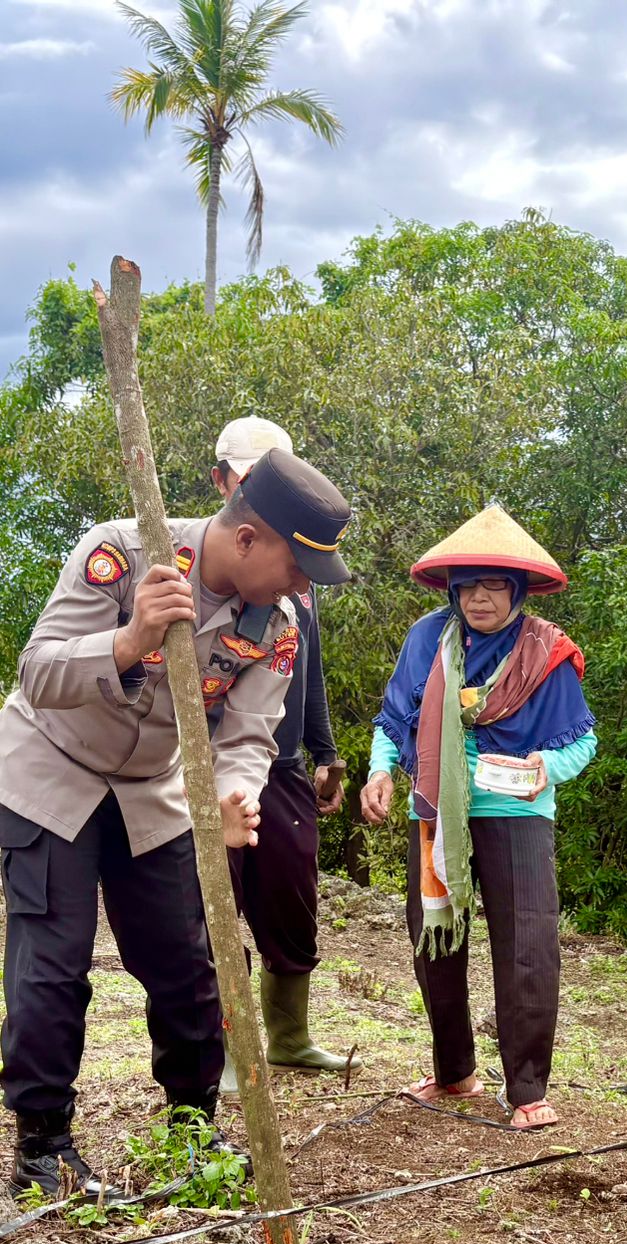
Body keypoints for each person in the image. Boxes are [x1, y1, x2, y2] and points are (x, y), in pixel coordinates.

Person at [0, 451, 354, 1196]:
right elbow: (39, 672)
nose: (301, 587)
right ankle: (44, 1146)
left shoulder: (279, 625)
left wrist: (231, 796)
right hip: (50, 770)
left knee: (187, 962)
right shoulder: (125, 554)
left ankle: (193, 1128)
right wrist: (128, 641)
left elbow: (250, 735)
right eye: (297, 566)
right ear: (249, 539)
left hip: (153, 786)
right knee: (54, 964)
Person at [361, 507, 595, 1130]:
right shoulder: (425, 640)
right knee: (434, 941)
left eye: (493, 585)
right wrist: (380, 771)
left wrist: (546, 765)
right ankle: (454, 1073)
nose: (479, 598)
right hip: (436, 812)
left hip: (516, 814)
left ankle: (525, 1090)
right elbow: (394, 721)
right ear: (452, 589)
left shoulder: (545, 651)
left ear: (516, 592)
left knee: (527, 947)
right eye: (468, 585)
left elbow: (581, 742)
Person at [207, 418, 353, 1091]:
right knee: (214, 898)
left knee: (291, 893)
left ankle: (290, 1039)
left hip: (282, 758)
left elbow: (308, 668)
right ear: (225, 482)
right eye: (251, 472)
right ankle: (227, 1053)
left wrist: (325, 751)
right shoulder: (213, 560)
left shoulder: (299, 569)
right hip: (208, 758)